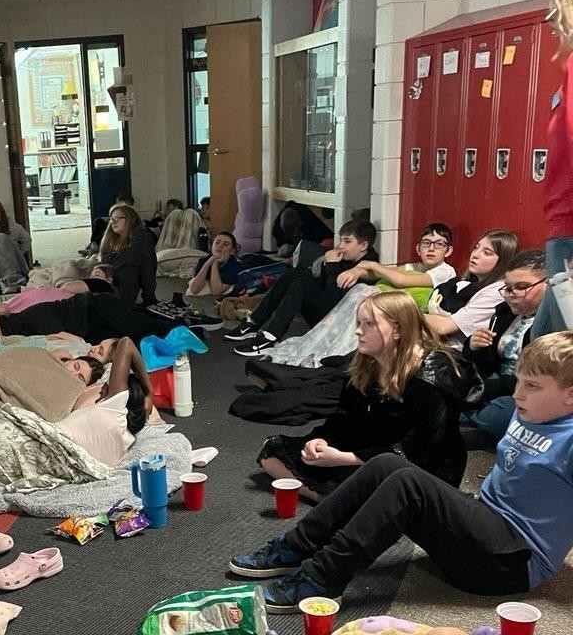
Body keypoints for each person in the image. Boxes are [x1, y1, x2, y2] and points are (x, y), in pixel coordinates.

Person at [228, 332, 573, 613]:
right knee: (387, 464)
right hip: (482, 527)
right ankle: (294, 547)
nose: (518, 393)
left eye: (533, 386)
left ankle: (322, 579)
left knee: (408, 484)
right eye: (520, 382)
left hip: (511, 564)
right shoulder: (530, 411)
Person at [257, 292, 481, 500]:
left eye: (369, 324)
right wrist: (320, 440)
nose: (358, 331)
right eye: (359, 323)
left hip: (416, 464)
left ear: (398, 330)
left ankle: (342, 500)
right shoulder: (366, 361)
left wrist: (341, 458)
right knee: (273, 453)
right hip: (369, 445)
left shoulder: (430, 376)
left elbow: (416, 450)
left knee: (381, 484)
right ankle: (338, 499)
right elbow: (343, 419)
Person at [227, 219, 379, 355]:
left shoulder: (367, 268)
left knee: (303, 285)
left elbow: (337, 297)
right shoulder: (348, 259)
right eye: (341, 241)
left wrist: (332, 266)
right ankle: (254, 321)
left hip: (338, 322)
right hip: (330, 310)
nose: (340, 246)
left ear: (363, 245)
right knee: (294, 274)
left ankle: (271, 336)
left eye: (347, 241)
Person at [462, 250, 548, 441]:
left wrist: (484, 390)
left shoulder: (553, 323)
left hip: (524, 392)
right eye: (508, 288)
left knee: (503, 412)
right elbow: (487, 365)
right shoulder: (504, 315)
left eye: (522, 286)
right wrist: (474, 346)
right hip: (498, 384)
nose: (512, 294)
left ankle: (468, 421)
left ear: (548, 284)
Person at [532, 0, 573, 338]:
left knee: (558, 352)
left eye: (555, 13)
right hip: (562, 227)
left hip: (570, 229)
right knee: (541, 343)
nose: (551, 25)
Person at [424, 229, 517, 349]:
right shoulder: (467, 283)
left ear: (503, 261)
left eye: (487, 252)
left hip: (459, 358)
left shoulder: (497, 291)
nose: (476, 254)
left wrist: (405, 311)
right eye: (476, 247)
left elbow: (444, 326)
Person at [335, 222, 456, 309]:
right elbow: (385, 273)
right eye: (426, 243)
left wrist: (370, 264)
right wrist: (357, 271)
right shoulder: (416, 267)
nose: (431, 248)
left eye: (439, 244)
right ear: (418, 249)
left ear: (449, 251)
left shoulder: (445, 271)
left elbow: (401, 280)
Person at [0, 291, 173, 344]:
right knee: (129, 343)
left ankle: (179, 326)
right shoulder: (29, 334)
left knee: (138, 326)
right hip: (89, 331)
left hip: (93, 308)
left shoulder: (32, 320)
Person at [98, 203, 158, 306]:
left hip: (118, 287)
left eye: (118, 218)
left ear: (130, 219)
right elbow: (104, 263)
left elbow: (148, 267)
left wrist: (149, 298)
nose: (113, 222)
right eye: (112, 219)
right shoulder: (112, 239)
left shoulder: (140, 236)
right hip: (103, 279)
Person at [79, 192, 135, 257]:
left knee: (106, 225)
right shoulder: (117, 210)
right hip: (116, 219)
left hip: (122, 222)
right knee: (99, 220)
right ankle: (93, 245)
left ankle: (95, 248)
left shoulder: (130, 212)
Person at [187, 231, 242, 297]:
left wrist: (215, 263)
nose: (220, 246)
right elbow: (194, 290)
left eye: (225, 244)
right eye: (217, 243)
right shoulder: (204, 260)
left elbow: (216, 292)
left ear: (232, 251)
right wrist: (208, 263)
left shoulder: (235, 266)